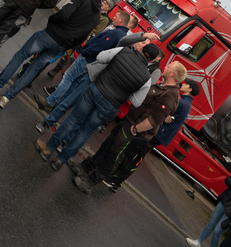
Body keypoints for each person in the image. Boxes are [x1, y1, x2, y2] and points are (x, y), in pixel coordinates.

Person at [0, 0, 109, 108]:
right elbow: (83, 37)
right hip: (62, 44)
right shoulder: (97, 15)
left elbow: (63, 14)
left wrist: (52, 21)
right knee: (34, 69)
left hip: (51, 34)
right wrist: (67, 46)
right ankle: (6, 98)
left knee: (21, 56)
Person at [34, 41, 160, 170]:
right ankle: (60, 160)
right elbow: (136, 102)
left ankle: (48, 148)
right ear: (151, 60)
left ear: (142, 49)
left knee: (73, 119)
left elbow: (101, 57)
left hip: (96, 90)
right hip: (111, 105)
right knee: (85, 131)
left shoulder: (123, 51)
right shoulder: (146, 78)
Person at [70, 60, 186, 193]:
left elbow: (155, 120)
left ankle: (91, 182)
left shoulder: (170, 96)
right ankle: (85, 168)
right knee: (108, 145)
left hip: (136, 132)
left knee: (113, 155)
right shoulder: (163, 86)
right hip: (129, 123)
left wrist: (137, 129)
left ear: (172, 74)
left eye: (169, 67)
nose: (165, 67)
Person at [33, 11, 157, 121]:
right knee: (73, 85)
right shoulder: (123, 39)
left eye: (117, 16)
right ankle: (56, 106)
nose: (113, 17)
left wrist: (85, 51)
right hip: (96, 71)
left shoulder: (119, 36)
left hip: (91, 64)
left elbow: (99, 48)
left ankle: (50, 103)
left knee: (68, 79)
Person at [99, 78, 200, 192]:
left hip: (157, 134)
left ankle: (115, 181)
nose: (183, 84)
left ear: (190, 89)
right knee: (133, 155)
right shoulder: (187, 104)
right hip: (161, 136)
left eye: (186, 84)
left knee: (133, 157)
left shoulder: (182, 103)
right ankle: (114, 178)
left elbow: (162, 114)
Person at [185, 172, 231, 247]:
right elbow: (228, 179)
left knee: (217, 232)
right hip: (223, 203)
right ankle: (198, 241)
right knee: (211, 224)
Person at [46, 0, 113, 78]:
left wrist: (86, 34)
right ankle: (46, 61)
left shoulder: (104, 19)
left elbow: (96, 31)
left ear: (108, 8)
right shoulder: (95, 11)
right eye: (103, 2)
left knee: (67, 53)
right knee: (59, 47)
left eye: (105, 4)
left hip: (81, 37)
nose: (102, 3)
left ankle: (56, 69)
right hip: (74, 31)